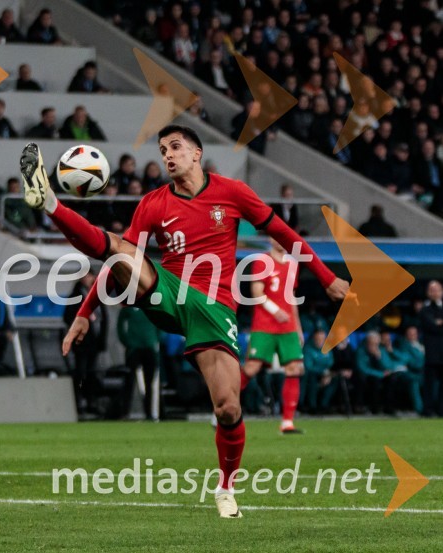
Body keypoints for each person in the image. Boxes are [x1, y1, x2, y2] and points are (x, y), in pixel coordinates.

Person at [18, 126, 349, 518]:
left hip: (215, 309)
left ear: (197, 153)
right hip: (169, 293)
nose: (168, 155)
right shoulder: (153, 204)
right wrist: (85, 313)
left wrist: (327, 278)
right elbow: (119, 259)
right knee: (123, 250)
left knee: (227, 407)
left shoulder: (233, 192)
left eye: (175, 147)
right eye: (162, 150)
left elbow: (284, 233)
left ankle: (225, 489)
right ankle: (51, 202)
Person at [241, 238, 305, 433]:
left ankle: (287, 422)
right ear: (270, 239)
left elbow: (291, 297)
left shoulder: (293, 264)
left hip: (287, 327)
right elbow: (256, 291)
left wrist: (298, 327)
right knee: (252, 367)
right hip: (265, 325)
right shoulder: (262, 260)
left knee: (295, 368)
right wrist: (274, 309)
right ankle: (221, 408)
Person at [63, 272, 107, 416]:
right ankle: (79, 402)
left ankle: (91, 401)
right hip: (82, 342)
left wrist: (101, 340)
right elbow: (68, 316)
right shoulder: (76, 296)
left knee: (92, 372)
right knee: (81, 372)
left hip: (94, 343)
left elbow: (104, 320)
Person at [117, 305, 160, 420]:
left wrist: (155, 340)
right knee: (129, 381)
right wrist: (128, 342)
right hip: (134, 349)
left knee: (149, 383)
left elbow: (161, 323)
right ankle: (125, 413)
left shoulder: (153, 306)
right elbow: (120, 326)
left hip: (150, 348)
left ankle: (149, 413)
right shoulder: (128, 307)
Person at [420, 280, 443, 416]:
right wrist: (437, 324)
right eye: (432, 290)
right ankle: (427, 410)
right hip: (432, 354)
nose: (434, 293)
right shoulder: (425, 310)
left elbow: (435, 325)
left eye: (437, 290)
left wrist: (438, 323)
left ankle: (441, 410)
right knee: (429, 384)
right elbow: (431, 326)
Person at [301, 329, 336, 414]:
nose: (320, 342)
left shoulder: (327, 348)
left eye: (322, 339)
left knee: (336, 379)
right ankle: (313, 407)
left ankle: (324, 406)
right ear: (313, 339)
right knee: (311, 378)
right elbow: (308, 367)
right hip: (312, 375)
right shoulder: (308, 349)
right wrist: (323, 372)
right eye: (318, 339)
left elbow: (330, 363)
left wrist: (327, 375)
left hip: (325, 374)